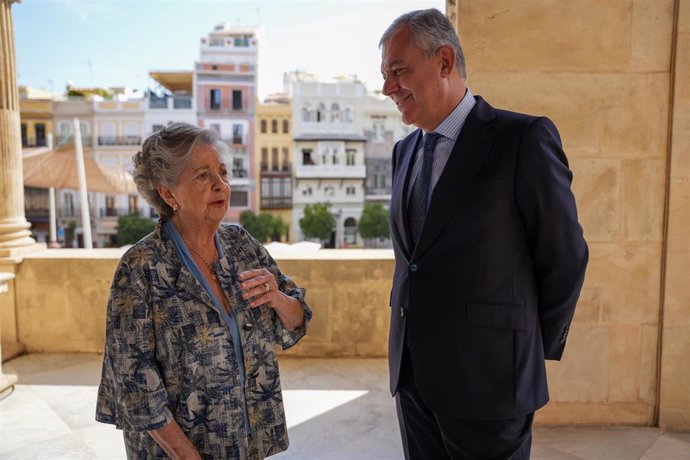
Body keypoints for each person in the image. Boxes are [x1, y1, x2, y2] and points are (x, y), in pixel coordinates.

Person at [380, 9, 588, 459]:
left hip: (492, 380)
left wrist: (523, 346)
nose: (387, 88)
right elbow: (414, 261)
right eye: (384, 75)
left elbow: (565, 256)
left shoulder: (523, 138)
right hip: (412, 375)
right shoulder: (403, 152)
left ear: (444, 62)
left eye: (398, 71)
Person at [96, 122, 311, 459]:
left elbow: (297, 321)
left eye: (222, 173)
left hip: (247, 441)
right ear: (168, 194)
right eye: (202, 176)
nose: (220, 185)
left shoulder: (240, 244)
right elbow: (133, 380)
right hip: (181, 451)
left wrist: (277, 298)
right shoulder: (141, 267)